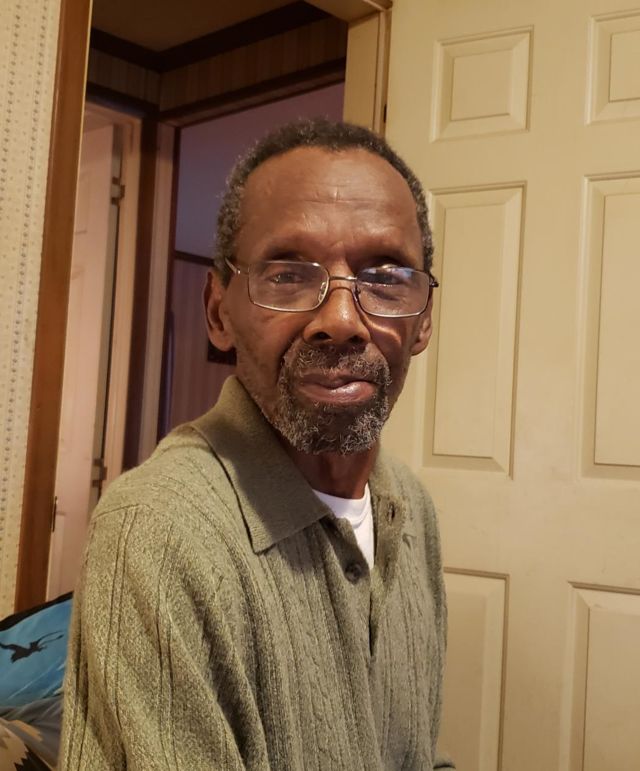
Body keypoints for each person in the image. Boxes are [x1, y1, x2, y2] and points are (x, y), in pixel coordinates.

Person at [60, 119, 454, 770]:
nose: (340, 320)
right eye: (288, 274)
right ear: (219, 311)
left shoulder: (411, 508)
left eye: (384, 276)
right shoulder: (159, 533)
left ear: (424, 318)